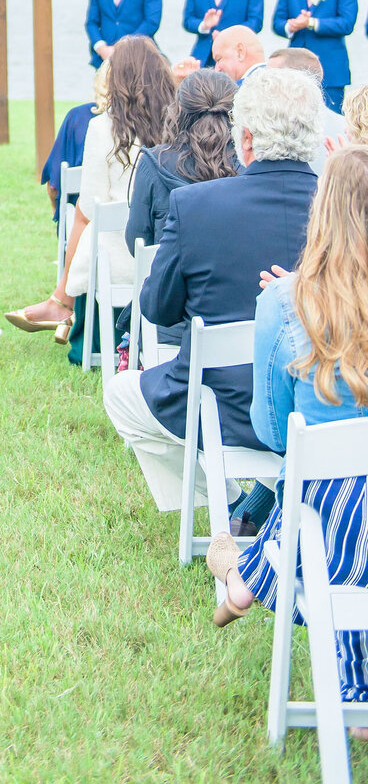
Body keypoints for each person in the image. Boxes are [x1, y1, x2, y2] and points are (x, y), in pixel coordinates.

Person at [103, 67, 321, 512]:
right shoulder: (344, 210)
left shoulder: (195, 206)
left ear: (245, 140)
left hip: (220, 410)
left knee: (119, 394)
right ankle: (254, 505)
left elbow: (158, 310)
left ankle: (227, 502)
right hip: (320, 405)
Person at [206, 145, 368, 718]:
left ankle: (245, 578)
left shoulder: (286, 302)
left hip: (329, 523)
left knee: (311, 500)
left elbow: (271, 430)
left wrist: (287, 300)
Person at [6, 37, 175, 346]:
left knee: (83, 221)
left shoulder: (104, 128)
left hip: (122, 255)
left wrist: (66, 286)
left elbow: (88, 212)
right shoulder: (178, 123)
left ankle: (61, 305)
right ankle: (60, 306)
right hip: (170, 252)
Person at [125, 69, 238, 346]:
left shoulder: (154, 162)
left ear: (179, 110)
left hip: (170, 319)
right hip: (240, 317)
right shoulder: (247, 165)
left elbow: (137, 240)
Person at [272, 0, 359, 113]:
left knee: (333, 119)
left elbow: (347, 23)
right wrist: (292, 26)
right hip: (294, 68)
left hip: (331, 70)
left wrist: (311, 23)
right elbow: (277, 23)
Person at [268, 47, 345, 170]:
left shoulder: (273, 130)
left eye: (272, 77)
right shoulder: (346, 127)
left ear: (297, 82)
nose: (264, 83)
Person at [40, 95, 96, 231]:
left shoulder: (77, 118)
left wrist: (57, 211)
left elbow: (54, 186)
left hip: (81, 225)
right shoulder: (145, 119)